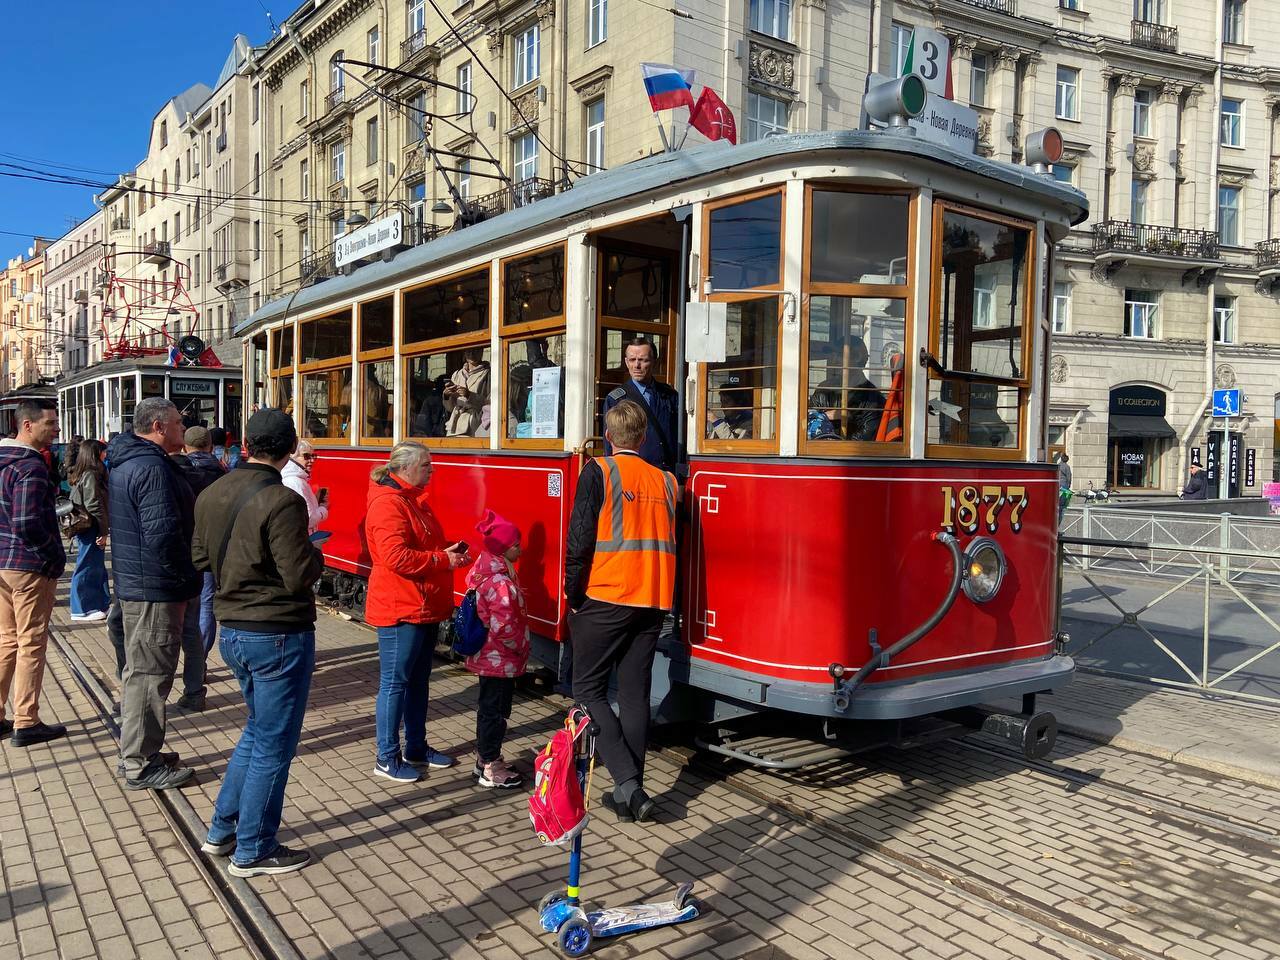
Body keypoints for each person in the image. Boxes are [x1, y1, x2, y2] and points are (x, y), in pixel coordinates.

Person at [193, 408, 323, 878]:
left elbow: (200, 557)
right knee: (274, 746)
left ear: (246, 444)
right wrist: (316, 550)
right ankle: (254, 849)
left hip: (234, 630)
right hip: (277, 634)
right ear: (289, 448)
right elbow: (298, 576)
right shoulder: (282, 499)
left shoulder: (213, 490)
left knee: (256, 734)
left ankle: (222, 829)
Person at [566, 400, 678, 823]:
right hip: (652, 599)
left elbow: (580, 539)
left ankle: (628, 782)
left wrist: (573, 594)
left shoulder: (598, 471)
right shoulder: (667, 481)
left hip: (607, 594)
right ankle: (630, 794)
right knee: (634, 696)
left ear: (608, 437)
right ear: (645, 436)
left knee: (588, 691)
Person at [107, 396, 200, 790]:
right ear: (159, 426)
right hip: (155, 589)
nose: (184, 428)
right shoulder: (151, 468)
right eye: (179, 423)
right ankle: (140, 763)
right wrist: (187, 575)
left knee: (140, 673)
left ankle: (138, 750)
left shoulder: (131, 462)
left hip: (140, 583)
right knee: (149, 675)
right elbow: (163, 535)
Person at [365, 441, 470, 783]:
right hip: (401, 607)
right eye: (426, 465)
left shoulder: (410, 500)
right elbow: (395, 557)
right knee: (396, 683)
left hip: (419, 605)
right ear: (406, 468)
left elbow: (417, 548)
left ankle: (416, 746)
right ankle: (386, 755)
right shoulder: (389, 504)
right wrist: (442, 559)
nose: (432, 470)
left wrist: (446, 551)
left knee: (418, 682)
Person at [0, 398, 65, 747]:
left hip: (2, 563)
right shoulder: (30, 467)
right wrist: (51, 555)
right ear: (27, 426)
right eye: (50, 423)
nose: (56, 429)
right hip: (27, 565)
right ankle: (26, 721)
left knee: (7, 640)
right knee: (31, 643)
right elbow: (27, 521)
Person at [465, 510, 530, 789]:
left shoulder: (484, 573)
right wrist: (520, 647)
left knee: (489, 709)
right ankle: (489, 768)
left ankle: (486, 758)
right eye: (517, 545)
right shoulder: (501, 584)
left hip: (489, 658)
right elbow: (505, 627)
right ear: (505, 548)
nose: (521, 549)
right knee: (495, 712)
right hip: (500, 659)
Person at [173, 426, 227, 705]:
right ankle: (199, 665)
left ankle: (190, 668)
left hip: (186, 548)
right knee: (207, 605)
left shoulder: (177, 471)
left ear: (185, 447)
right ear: (209, 446)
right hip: (213, 549)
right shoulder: (223, 472)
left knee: (187, 611)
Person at [603, 338, 680, 470]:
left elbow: (678, 436)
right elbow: (609, 444)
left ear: (654, 362)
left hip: (666, 474)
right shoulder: (616, 399)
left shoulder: (670, 395)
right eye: (632, 360)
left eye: (643, 360)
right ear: (626, 362)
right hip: (633, 473)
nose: (637, 366)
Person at [68, 439, 110, 623]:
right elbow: (94, 504)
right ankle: (81, 608)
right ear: (95, 453)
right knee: (86, 565)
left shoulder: (83, 473)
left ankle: (100, 603)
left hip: (89, 526)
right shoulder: (91, 475)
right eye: (103, 451)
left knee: (96, 566)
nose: (106, 454)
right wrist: (103, 531)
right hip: (91, 526)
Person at [281, 440, 329, 534]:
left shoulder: (295, 479)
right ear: (293, 457)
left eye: (313, 456)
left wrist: (315, 500)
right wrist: (323, 509)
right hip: (303, 539)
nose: (311, 460)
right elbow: (308, 519)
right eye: (306, 456)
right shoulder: (295, 482)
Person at [444, 351, 489, 437]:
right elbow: (450, 408)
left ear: (482, 351)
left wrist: (469, 395)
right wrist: (447, 396)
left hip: (474, 423)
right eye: (469, 350)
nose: (472, 354)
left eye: (476, 349)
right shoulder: (457, 374)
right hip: (455, 425)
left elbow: (491, 402)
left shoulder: (488, 374)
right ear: (464, 353)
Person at [1056, 453, 1072, 524]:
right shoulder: (1067, 467)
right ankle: (1059, 520)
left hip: (1057, 485)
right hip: (1064, 486)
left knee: (1058, 501)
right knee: (1063, 505)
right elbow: (1069, 477)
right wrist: (1069, 485)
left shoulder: (1058, 466)